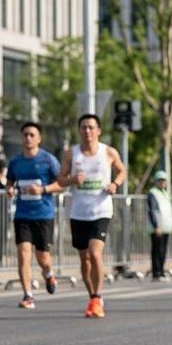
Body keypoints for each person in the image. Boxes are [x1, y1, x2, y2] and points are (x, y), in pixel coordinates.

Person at [57, 113, 126, 318]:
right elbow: (60, 179)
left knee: (95, 254)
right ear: (79, 131)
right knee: (84, 259)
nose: (87, 131)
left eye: (91, 127)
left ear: (98, 130)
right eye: (84, 127)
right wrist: (71, 180)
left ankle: (97, 297)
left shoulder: (108, 152)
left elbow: (122, 171)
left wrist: (115, 184)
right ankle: (92, 297)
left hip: (101, 210)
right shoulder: (73, 153)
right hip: (79, 212)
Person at [6, 122, 61, 309]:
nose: (28, 138)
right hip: (22, 214)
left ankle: (48, 274)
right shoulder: (15, 162)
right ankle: (28, 295)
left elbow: (61, 183)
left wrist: (43, 189)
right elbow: (10, 182)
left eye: (32, 135)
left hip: (43, 214)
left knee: (42, 257)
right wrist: (9, 190)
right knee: (23, 254)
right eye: (25, 135)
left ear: (39, 138)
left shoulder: (48, 160)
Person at [147, 171, 172, 280]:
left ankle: (162, 271)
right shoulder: (152, 193)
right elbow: (153, 210)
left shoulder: (165, 193)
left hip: (166, 226)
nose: (163, 182)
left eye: (164, 180)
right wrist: (156, 226)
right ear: (156, 181)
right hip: (157, 227)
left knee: (163, 250)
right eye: (160, 180)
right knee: (157, 250)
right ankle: (157, 273)